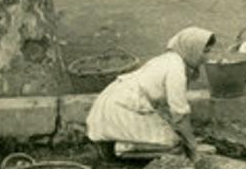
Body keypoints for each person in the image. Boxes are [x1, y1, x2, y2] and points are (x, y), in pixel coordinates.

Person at [86, 27, 216, 161]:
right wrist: (193, 148)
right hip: (120, 107)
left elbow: (165, 109)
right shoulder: (176, 69)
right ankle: (123, 149)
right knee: (175, 147)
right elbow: (180, 114)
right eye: (204, 52)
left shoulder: (167, 59)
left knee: (173, 136)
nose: (207, 58)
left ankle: (116, 144)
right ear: (190, 48)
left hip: (112, 100)